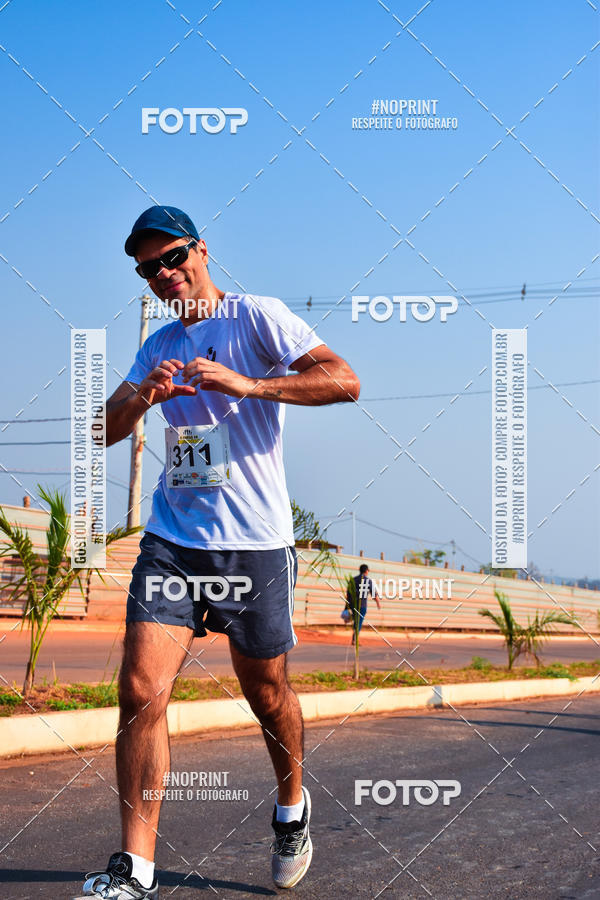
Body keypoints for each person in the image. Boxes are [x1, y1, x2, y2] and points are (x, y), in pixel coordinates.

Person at [77, 207, 360, 899]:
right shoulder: (159, 346)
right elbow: (98, 431)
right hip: (174, 542)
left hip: (253, 548)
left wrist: (249, 384)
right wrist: (147, 394)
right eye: (148, 270)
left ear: (201, 250)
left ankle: (292, 807)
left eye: (173, 258)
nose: (164, 275)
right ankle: (135, 869)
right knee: (141, 692)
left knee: (266, 693)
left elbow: (344, 379)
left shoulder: (256, 317)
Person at [346, 564, 381, 637]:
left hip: (353, 604)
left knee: (356, 620)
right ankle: (355, 638)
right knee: (359, 621)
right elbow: (373, 594)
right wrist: (378, 603)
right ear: (366, 571)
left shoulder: (353, 580)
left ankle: (354, 636)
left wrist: (347, 606)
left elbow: (348, 594)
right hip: (362, 605)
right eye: (368, 570)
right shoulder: (368, 581)